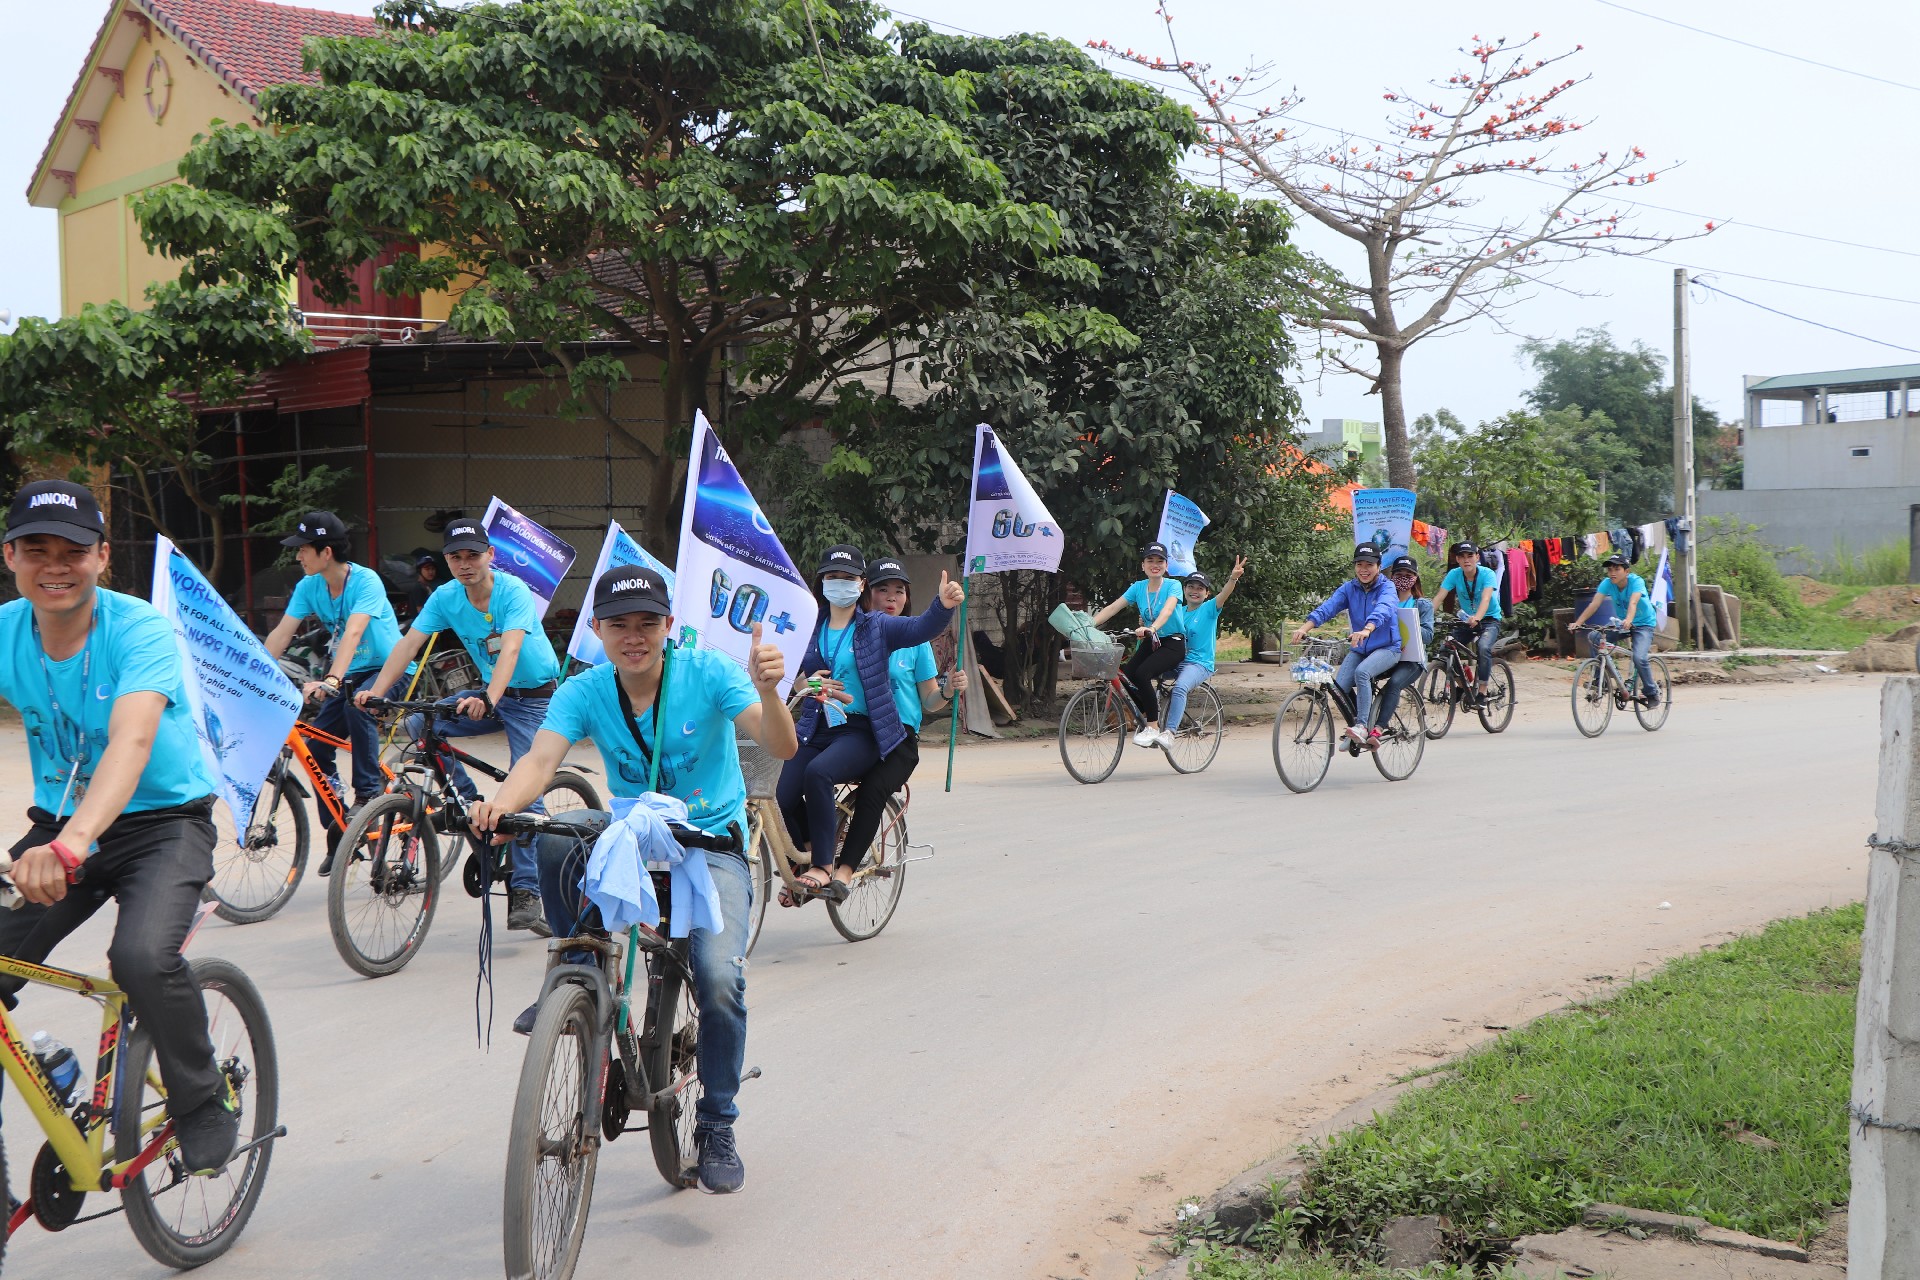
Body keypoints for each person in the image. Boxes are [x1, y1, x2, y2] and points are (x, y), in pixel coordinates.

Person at [470, 566, 798, 1195]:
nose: (634, 636)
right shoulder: (586, 688)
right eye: (619, 624)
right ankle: (576, 971)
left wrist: (771, 690)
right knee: (554, 838)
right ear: (596, 630)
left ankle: (717, 1124)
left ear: (669, 627)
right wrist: (498, 807)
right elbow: (539, 761)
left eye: (648, 622)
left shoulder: (710, 673)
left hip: (709, 847)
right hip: (633, 838)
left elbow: (779, 747)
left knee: (720, 978)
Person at [0, 480, 239, 1173]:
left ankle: (201, 1099)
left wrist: (73, 843)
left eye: (72, 550)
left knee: (138, 958)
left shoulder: (139, 629)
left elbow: (132, 742)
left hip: (162, 825)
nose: (55, 565)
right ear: (9, 555)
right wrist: (62, 837)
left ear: (102, 556)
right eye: (35, 549)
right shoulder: (9, 633)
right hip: (60, 827)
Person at [356, 518, 560, 930]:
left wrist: (489, 698)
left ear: (491, 556)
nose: (464, 564)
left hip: (533, 699)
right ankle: (468, 808)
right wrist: (377, 691)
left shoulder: (512, 591)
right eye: (455, 557)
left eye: (472, 555)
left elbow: (512, 647)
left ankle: (527, 888)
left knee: (527, 788)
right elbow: (408, 643)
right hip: (490, 693)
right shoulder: (446, 597)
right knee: (419, 724)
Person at [776, 546, 963, 900]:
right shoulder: (810, 628)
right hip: (816, 727)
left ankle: (824, 867)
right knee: (780, 791)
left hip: (862, 729)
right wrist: (804, 683)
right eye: (833, 577)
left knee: (819, 773)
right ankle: (809, 851)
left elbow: (922, 627)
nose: (840, 584)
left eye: (848, 578)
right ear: (821, 583)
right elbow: (791, 676)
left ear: (861, 585)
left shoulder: (875, 626)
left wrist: (943, 606)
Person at [832, 557, 968, 897]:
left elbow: (930, 701)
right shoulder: (849, 636)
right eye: (883, 590)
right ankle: (810, 858)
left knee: (874, 790)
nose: (892, 598)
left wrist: (949, 689)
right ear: (865, 593)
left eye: (899, 592)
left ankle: (844, 872)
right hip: (859, 731)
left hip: (900, 741)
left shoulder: (915, 642)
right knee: (810, 772)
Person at [262, 511, 402, 841]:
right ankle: (338, 829)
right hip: (350, 673)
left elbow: (353, 632)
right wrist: (255, 676)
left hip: (389, 669)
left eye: (303, 549)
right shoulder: (309, 586)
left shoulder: (366, 581)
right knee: (316, 746)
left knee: (359, 706)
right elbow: (282, 633)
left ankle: (368, 798)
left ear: (326, 552)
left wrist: (333, 680)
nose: (297, 555)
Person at [1291, 545, 1402, 745]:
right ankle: (1357, 728)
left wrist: (1367, 629)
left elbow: (1384, 609)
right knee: (1340, 686)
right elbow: (1328, 608)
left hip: (1387, 648)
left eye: (1369, 565)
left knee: (1362, 673)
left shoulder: (1388, 587)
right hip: (1360, 648)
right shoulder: (1349, 588)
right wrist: (1304, 628)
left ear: (1379, 566)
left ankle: (1362, 725)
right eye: (1359, 564)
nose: (1364, 569)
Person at [1089, 542, 1188, 749]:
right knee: (1127, 674)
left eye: (1159, 561)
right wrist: (1087, 626)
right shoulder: (1138, 588)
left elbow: (1168, 610)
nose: (1155, 565)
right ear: (1143, 565)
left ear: (1166, 565)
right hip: (1151, 641)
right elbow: (1114, 607)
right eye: (1150, 561)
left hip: (1173, 642)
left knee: (1142, 673)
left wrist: (1153, 628)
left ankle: (1152, 726)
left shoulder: (1173, 586)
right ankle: (1145, 709)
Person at [1161, 557, 1246, 736]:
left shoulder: (1209, 609)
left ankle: (1169, 732)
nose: (1195, 591)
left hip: (1199, 664)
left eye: (1200, 588)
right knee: (1146, 675)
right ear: (1184, 590)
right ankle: (1152, 724)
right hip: (1177, 660)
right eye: (1191, 587)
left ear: (1206, 593)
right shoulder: (1179, 612)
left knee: (1180, 687)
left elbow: (1224, 594)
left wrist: (1233, 578)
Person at [1573, 552, 1661, 706]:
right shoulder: (1607, 583)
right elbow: (1594, 604)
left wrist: (1629, 619)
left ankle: (1651, 692)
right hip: (1622, 623)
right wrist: (1578, 622)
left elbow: (1633, 603)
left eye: (1617, 569)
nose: (1612, 573)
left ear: (1627, 571)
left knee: (1639, 657)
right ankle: (1602, 678)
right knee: (1595, 637)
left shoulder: (1636, 582)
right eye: (1610, 570)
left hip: (1644, 624)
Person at [1373, 555, 1435, 743]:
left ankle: (1378, 728)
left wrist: (1411, 624)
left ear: (1415, 578)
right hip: (1388, 654)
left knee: (1394, 684)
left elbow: (1429, 636)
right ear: (1391, 577)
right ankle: (1364, 721)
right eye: (1399, 574)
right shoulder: (1381, 601)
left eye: (1408, 574)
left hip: (1411, 660)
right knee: (1363, 676)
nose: (1403, 578)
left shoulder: (1422, 604)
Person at [1436, 541, 1501, 705]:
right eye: (1462, 557)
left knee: (1483, 647)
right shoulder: (1454, 574)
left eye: (1470, 556)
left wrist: (1478, 617)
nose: (1466, 560)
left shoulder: (1487, 574)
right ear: (1457, 559)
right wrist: (1422, 618)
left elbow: (1486, 599)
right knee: (1445, 650)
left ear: (1477, 557)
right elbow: (1439, 597)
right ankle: (1462, 686)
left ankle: (1482, 692)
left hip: (1489, 620)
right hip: (1467, 621)